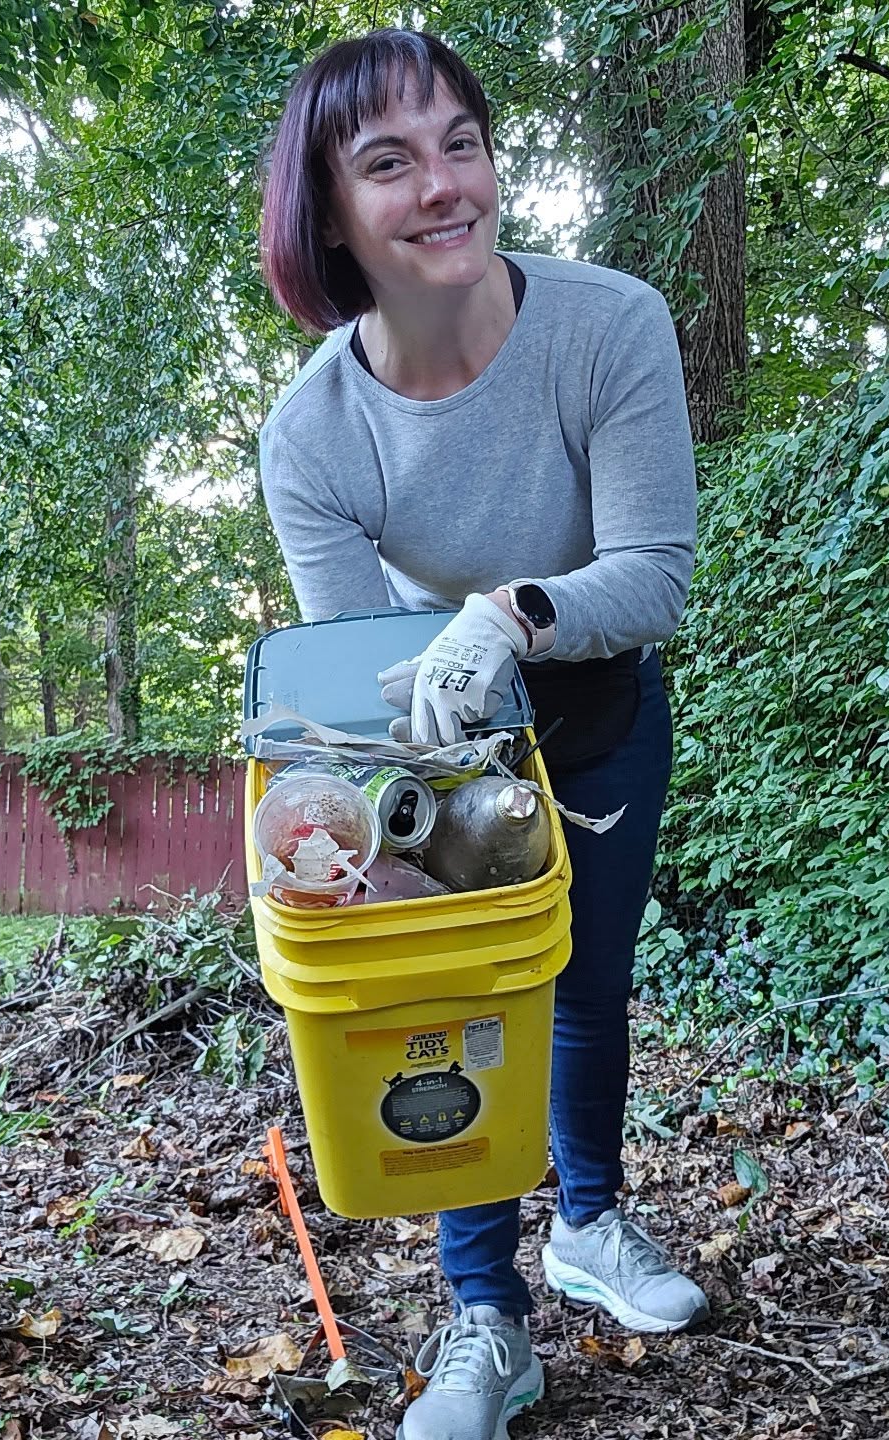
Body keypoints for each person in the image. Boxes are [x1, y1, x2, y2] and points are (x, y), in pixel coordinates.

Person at [257, 28, 708, 1440]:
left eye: (463, 143)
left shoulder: (609, 324)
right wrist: (375, 823)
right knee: (461, 1002)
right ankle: (486, 1318)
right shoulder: (314, 433)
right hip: (437, 743)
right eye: (390, 162)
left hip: (600, 702)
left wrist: (510, 614)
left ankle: (589, 1223)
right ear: (331, 213)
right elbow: (353, 665)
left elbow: (656, 570)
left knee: (584, 990)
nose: (444, 185)